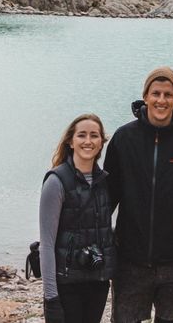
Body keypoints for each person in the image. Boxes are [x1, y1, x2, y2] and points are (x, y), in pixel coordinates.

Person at [105, 67, 173, 323]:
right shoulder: (124, 138)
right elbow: (108, 197)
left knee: (169, 320)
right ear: (145, 96)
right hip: (130, 258)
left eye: (168, 94)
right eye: (156, 93)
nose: (161, 100)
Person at [41, 114, 117, 323]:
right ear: (70, 141)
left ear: (101, 142)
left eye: (94, 135)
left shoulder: (104, 182)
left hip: (97, 281)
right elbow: (46, 244)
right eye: (81, 135)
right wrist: (51, 297)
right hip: (67, 284)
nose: (88, 141)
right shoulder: (56, 182)